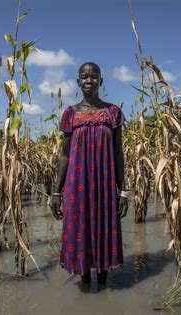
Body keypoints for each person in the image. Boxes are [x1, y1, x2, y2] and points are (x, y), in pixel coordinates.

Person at [51, 62, 129, 285]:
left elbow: (118, 153)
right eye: (84, 77)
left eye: (94, 77)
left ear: (101, 82)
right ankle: (85, 281)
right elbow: (64, 156)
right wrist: (56, 193)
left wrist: (123, 192)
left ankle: (103, 283)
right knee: (80, 231)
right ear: (77, 82)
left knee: (105, 230)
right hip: (78, 186)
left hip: (105, 185)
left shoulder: (112, 113)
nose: (89, 80)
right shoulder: (70, 114)